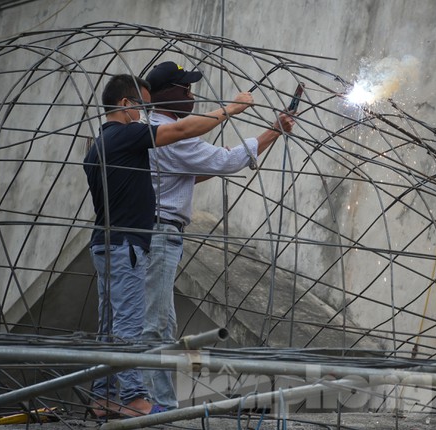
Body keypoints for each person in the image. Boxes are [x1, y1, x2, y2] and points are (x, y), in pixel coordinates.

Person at [83, 72, 253, 417]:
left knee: (109, 325)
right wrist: (230, 110)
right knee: (131, 326)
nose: (146, 115)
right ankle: (133, 398)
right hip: (127, 243)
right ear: (125, 104)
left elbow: (184, 166)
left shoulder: (99, 144)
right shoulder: (126, 135)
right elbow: (179, 131)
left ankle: (103, 397)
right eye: (142, 107)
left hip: (103, 243)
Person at [140, 61, 294, 409]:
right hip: (160, 233)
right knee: (158, 324)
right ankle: (158, 405)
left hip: (155, 233)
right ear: (167, 95)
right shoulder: (170, 134)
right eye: (186, 89)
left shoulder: (153, 130)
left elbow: (189, 174)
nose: (191, 95)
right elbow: (226, 160)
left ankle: (145, 398)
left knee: (155, 319)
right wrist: (274, 131)